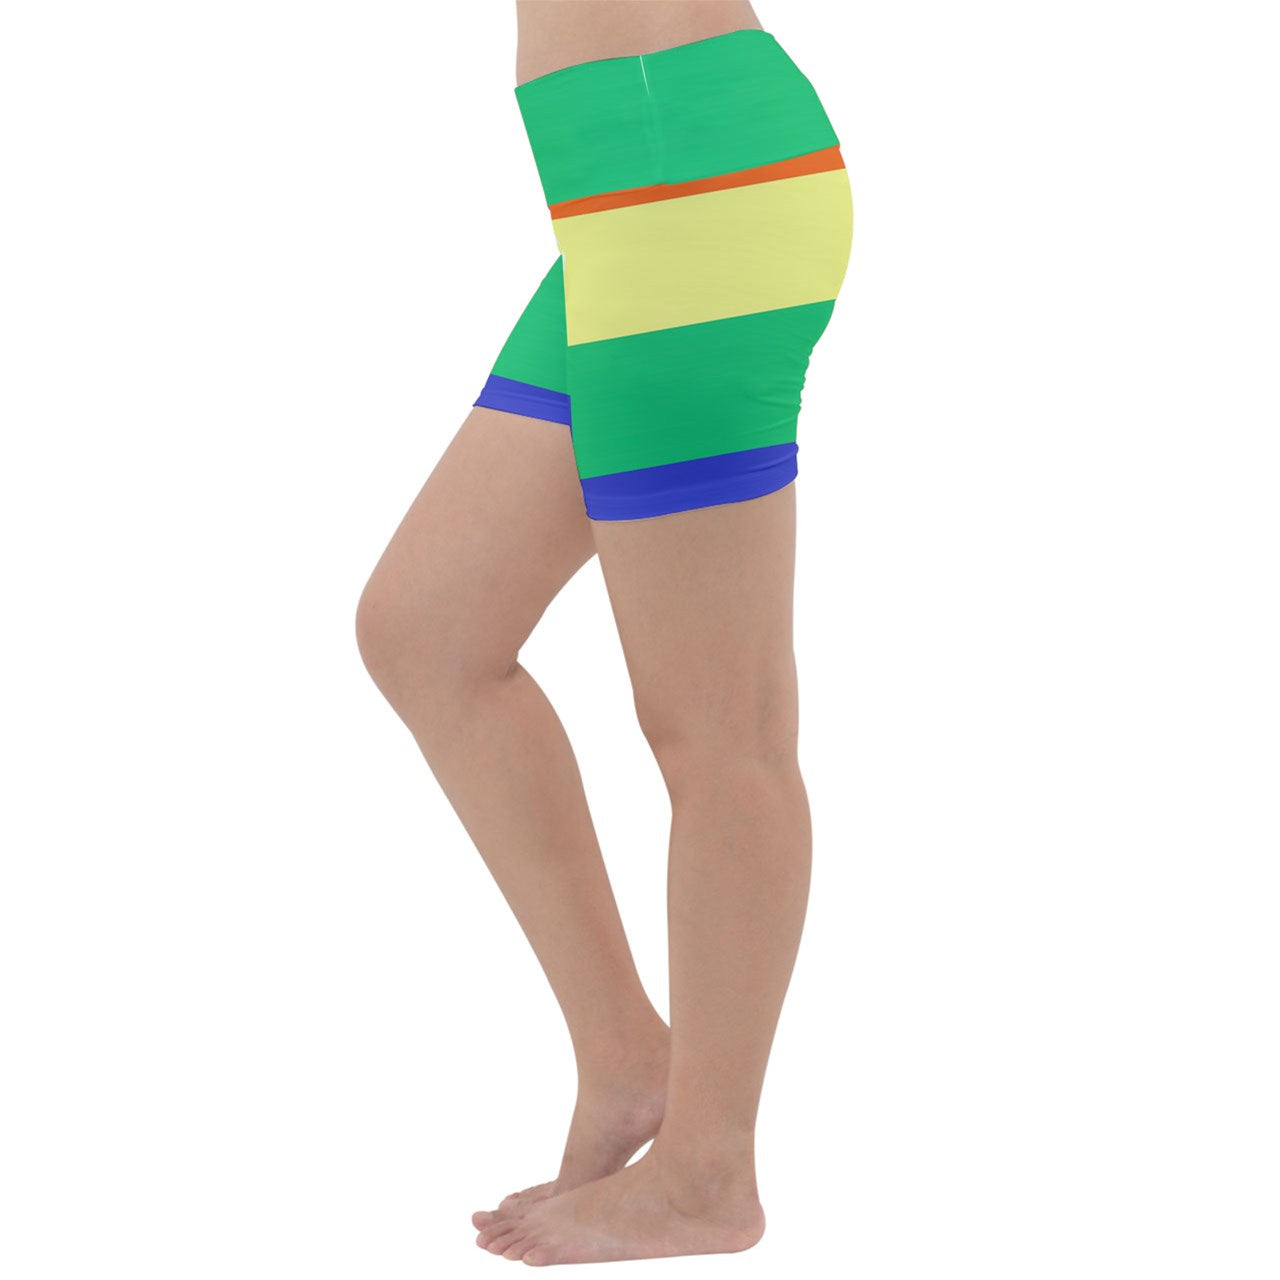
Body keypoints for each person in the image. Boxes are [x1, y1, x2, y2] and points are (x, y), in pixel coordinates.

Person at [355, 0, 853, 1265]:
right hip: (625, 192)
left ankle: (706, 1173)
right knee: (426, 627)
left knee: (717, 728)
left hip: (688, 180)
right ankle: (628, 1052)